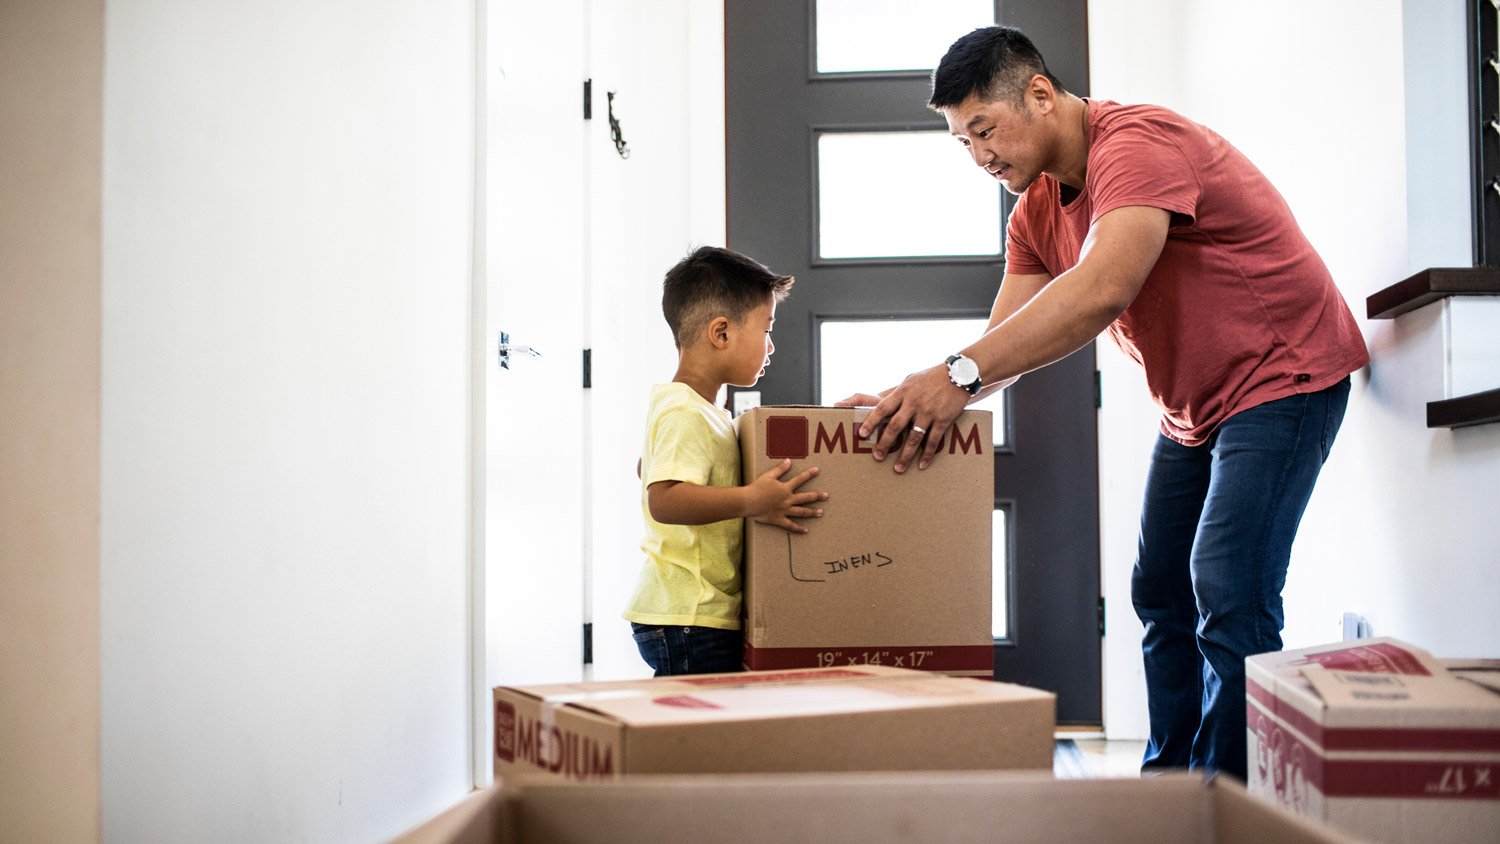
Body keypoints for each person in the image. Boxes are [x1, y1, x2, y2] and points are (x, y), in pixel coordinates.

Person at [841, 27, 1368, 779]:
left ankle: (1224, 797)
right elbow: (1002, 347)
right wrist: (913, 397)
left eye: (985, 130)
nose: (982, 156)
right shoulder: (1033, 215)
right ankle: (1167, 785)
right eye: (964, 143)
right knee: (1159, 590)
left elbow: (1101, 289)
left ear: (1041, 94)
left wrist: (952, 376)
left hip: (1286, 377)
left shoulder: (1136, 144)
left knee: (1226, 583)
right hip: (1195, 407)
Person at [624, 246, 829, 676]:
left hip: (695, 612)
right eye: (766, 329)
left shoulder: (699, 412)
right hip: (688, 615)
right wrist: (754, 499)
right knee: (698, 735)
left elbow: (647, 469)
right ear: (721, 333)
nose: (771, 346)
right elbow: (664, 500)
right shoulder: (685, 410)